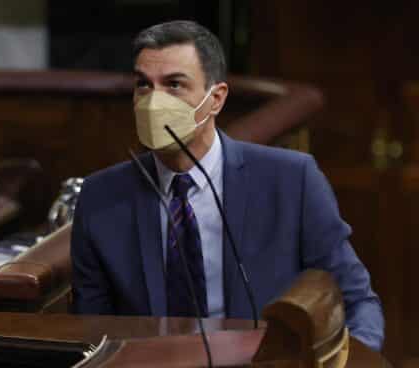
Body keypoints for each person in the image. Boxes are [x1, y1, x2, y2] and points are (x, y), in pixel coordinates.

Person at [70, 20, 384, 351]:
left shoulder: (292, 181)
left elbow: (356, 301)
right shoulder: (101, 197)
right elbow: (91, 334)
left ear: (216, 98)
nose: (153, 102)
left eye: (174, 85)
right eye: (144, 85)